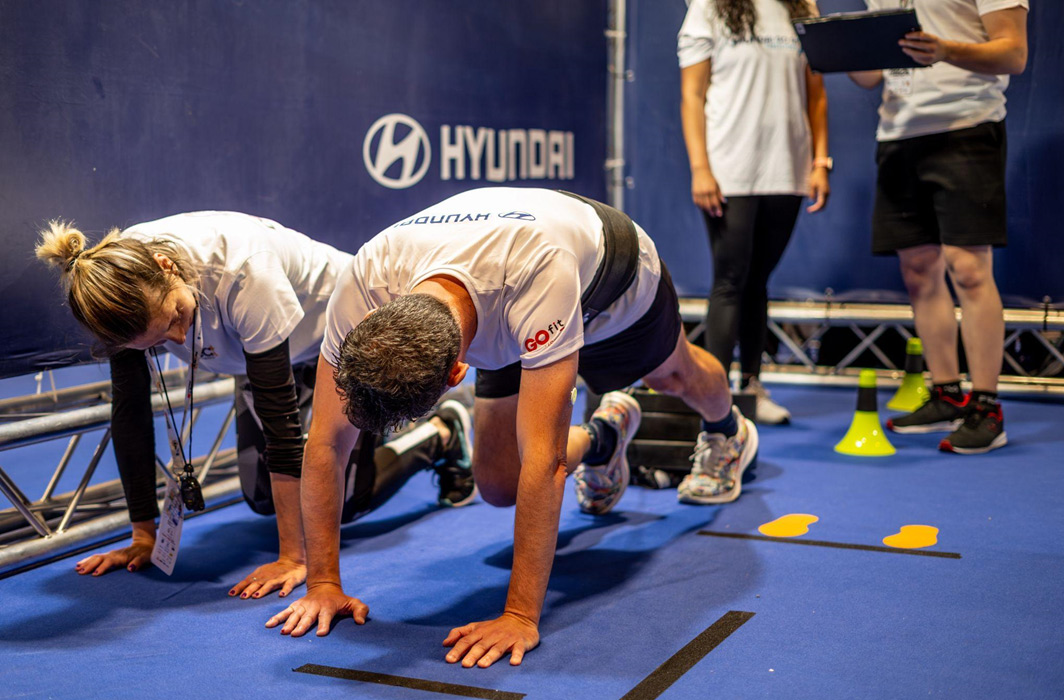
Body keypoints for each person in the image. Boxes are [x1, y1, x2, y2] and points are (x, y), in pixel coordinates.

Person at [264, 187, 759, 668]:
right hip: (491, 294)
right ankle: (607, 435)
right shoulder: (364, 281)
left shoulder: (539, 275)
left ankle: (727, 430)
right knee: (500, 483)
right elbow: (327, 441)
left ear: (458, 373)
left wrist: (519, 615)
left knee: (671, 375)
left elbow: (547, 461)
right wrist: (323, 583)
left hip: (607, 276)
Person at [35, 211, 475, 596]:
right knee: (263, 499)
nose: (178, 339)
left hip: (340, 337)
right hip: (256, 352)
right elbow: (130, 413)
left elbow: (278, 417)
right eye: (157, 341)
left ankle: (440, 434)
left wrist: (293, 557)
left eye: (173, 319)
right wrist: (143, 535)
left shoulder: (245, 272)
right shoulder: (114, 293)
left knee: (340, 502)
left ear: (167, 268)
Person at [850, 0, 1028, 454]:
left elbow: (1013, 54)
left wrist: (945, 49)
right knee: (918, 271)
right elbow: (869, 76)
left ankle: (986, 407)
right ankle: (946, 392)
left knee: (969, 269)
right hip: (898, 133)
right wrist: (834, 50)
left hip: (967, 125)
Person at [678, 0, 830, 425]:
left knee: (758, 281)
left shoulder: (803, 7)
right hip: (730, 171)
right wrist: (700, 168)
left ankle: (751, 387)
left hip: (788, 169)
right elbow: (692, 94)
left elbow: (816, 92)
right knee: (730, 281)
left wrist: (821, 161)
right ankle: (713, 399)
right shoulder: (708, 7)